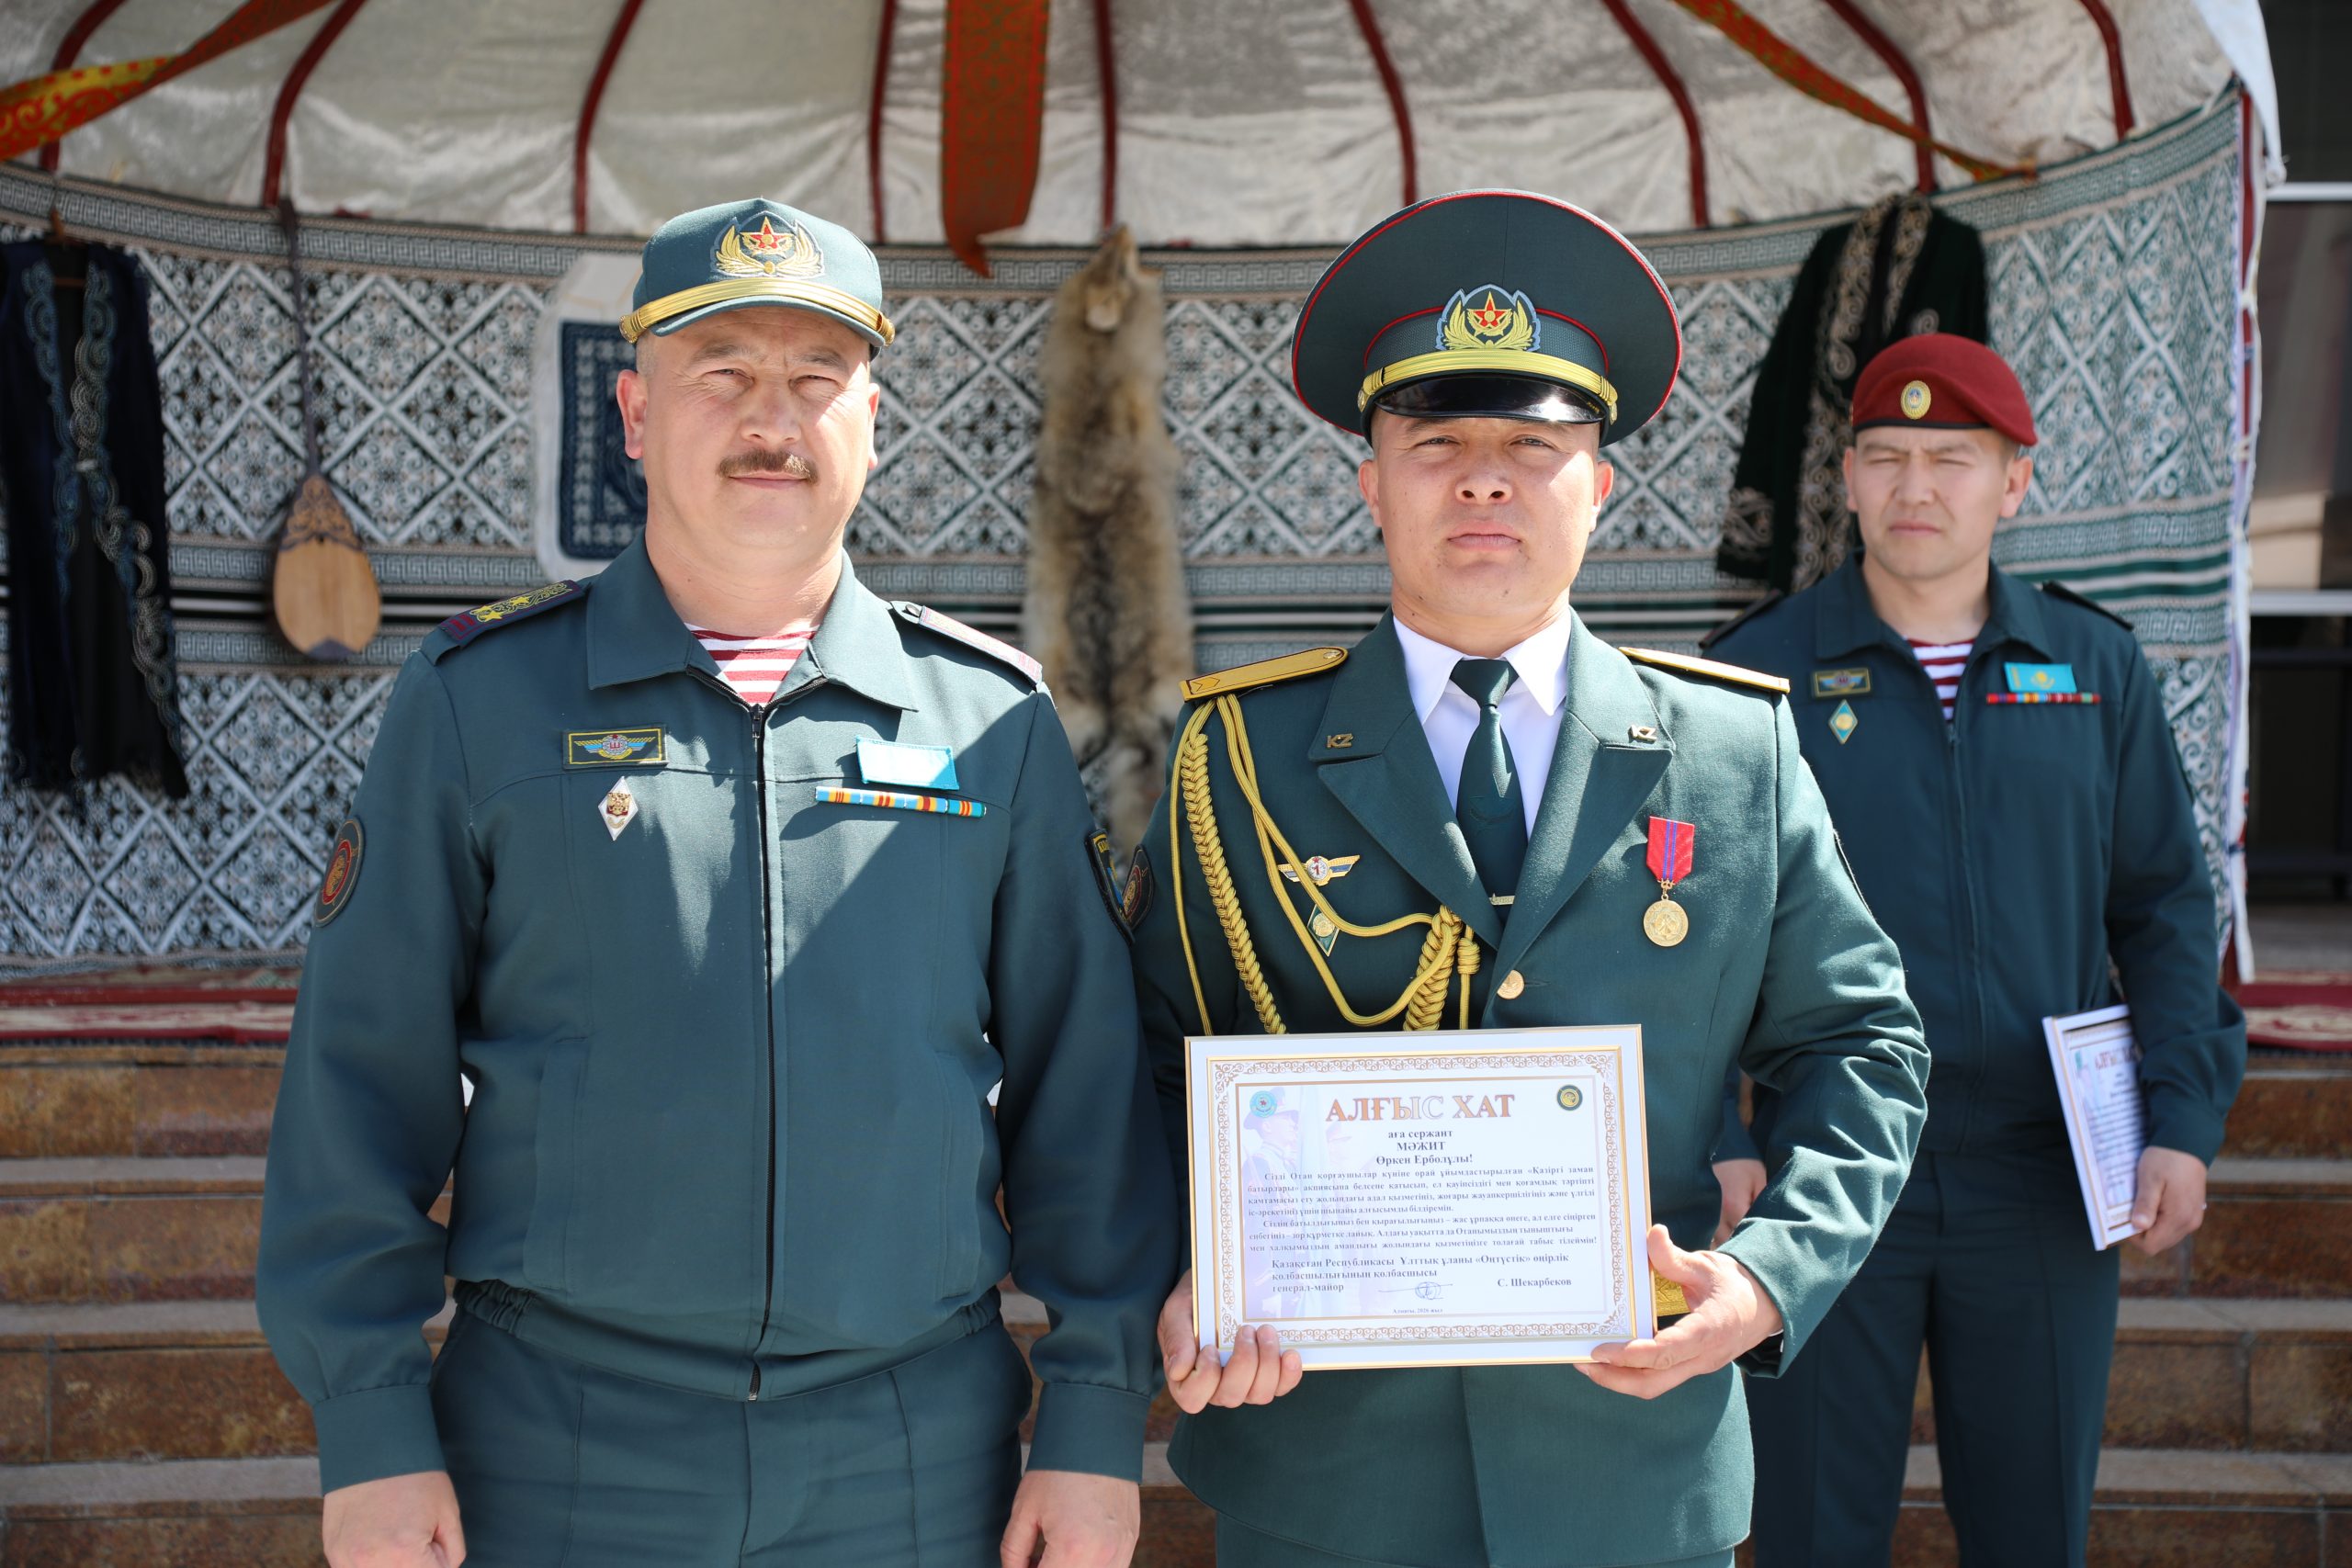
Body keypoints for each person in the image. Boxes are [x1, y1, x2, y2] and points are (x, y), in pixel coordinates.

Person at [257, 198, 1177, 1568]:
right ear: (634, 413)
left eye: (817, 377)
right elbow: (359, 1081)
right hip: (564, 1447)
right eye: (722, 373)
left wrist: (1095, 1422)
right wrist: (372, 1430)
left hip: (912, 1452)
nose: (771, 417)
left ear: (873, 420)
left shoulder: (992, 721)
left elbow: (1086, 1098)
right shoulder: (477, 703)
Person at [1124, 188, 1930, 1568]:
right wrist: (1176, 1271)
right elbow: (1141, 1061)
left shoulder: (1731, 752)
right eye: (1436, 443)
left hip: (1628, 1471)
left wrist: (1765, 1277)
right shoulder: (1237, 755)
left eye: (1533, 446)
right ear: (1371, 483)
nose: (1483, 480)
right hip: (1323, 1471)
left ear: (1599, 486)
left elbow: (1862, 1043)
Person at [1705, 333, 2247, 1567]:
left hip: (2044, 1173)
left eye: (1952, 459)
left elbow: (2164, 906)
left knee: (2030, 1529)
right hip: (1826, 1169)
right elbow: (1694, 932)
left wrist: (2181, 1117)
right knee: (1809, 1531)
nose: (1916, 488)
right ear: (1847, 478)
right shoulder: (1754, 676)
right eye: (1886, 456)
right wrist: (1717, 1141)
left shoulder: (2093, 667)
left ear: (2013, 483)